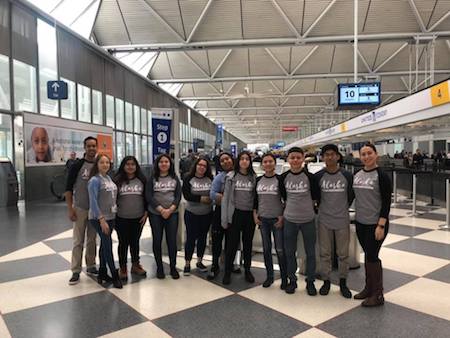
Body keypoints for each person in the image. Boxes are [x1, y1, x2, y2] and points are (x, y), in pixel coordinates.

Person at [353, 143, 392, 307]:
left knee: (373, 256)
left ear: (376, 155)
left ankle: (378, 294)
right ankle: (368, 288)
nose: (366, 157)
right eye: (363, 154)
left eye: (370, 153)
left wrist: (381, 225)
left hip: (376, 224)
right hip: (360, 222)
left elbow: (386, 201)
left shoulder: (381, 175)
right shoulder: (357, 174)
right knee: (368, 255)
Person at [315, 144, 354, 299]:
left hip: (342, 219)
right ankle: (326, 281)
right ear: (323, 157)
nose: (329, 157)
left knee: (343, 254)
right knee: (325, 253)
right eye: (326, 155)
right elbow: (316, 197)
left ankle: (343, 282)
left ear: (338, 156)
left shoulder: (347, 176)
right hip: (324, 219)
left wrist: (341, 208)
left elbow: (351, 196)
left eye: (332, 154)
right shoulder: (318, 176)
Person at [281, 147, 319, 295]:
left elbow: (315, 197)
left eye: (298, 157)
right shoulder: (283, 177)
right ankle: (292, 280)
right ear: (288, 160)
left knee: (310, 252)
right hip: (290, 219)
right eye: (292, 158)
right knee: (290, 252)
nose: (295, 160)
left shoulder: (310, 177)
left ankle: (310, 282)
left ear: (303, 159)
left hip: (308, 219)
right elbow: (283, 197)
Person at [65, 136, 98, 285]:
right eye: (89, 146)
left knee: (92, 239)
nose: (91, 148)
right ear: (84, 148)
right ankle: (75, 270)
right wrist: (70, 208)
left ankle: (91, 265)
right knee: (78, 241)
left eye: (94, 146)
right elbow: (68, 188)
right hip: (80, 208)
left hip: (95, 209)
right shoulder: (77, 165)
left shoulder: (100, 164)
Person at [221, 151, 257, 285]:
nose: (244, 161)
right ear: (238, 161)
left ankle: (247, 269)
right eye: (242, 159)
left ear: (250, 161)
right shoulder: (231, 176)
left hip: (248, 215)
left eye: (247, 159)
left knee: (248, 244)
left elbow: (256, 198)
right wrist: (224, 219)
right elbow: (225, 200)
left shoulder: (253, 177)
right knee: (231, 244)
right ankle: (227, 272)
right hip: (235, 214)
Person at [253, 153, 287, 289]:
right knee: (266, 249)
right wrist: (255, 215)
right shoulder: (259, 180)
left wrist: (282, 216)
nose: (267, 164)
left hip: (276, 219)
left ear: (274, 163)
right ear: (262, 165)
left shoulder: (280, 179)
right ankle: (269, 276)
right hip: (263, 219)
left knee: (280, 250)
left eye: (270, 161)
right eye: (265, 162)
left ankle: (284, 278)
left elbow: (286, 199)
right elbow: (255, 200)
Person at [87, 154, 121, 289]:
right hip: (99, 218)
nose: (105, 165)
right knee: (107, 245)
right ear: (97, 164)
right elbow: (93, 201)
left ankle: (102, 272)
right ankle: (114, 274)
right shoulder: (94, 180)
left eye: (107, 162)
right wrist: (101, 219)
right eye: (102, 162)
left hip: (111, 216)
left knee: (104, 245)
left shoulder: (108, 178)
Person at [146, 154, 182, 279]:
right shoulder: (152, 178)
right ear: (157, 164)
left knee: (172, 240)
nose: (164, 164)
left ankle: (173, 267)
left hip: (172, 213)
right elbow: (149, 196)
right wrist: (161, 209)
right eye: (161, 162)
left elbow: (178, 195)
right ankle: (159, 267)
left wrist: (171, 209)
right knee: (157, 240)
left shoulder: (174, 178)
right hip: (156, 213)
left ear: (170, 163)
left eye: (166, 161)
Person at [114, 156, 148, 281]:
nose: (130, 166)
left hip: (138, 217)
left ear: (136, 166)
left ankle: (135, 265)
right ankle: (122, 268)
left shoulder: (142, 180)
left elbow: (146, 197)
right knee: (123, 243)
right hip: (121, 217)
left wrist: (146, 212)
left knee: (135, 242)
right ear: (123, 166)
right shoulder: (117, 181)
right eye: (127, 164)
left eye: (133, 164)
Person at [182, 157, 213, 276]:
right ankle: (187, 263)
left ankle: (199, 261)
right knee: (190, 238)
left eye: (204, 166)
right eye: (200, 165)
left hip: (206, 214)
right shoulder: (188, 178)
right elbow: (187, 195)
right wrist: (201, 199)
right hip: (191, 214)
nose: (202, 167)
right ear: (196, 165)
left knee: (202, 238)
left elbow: (213, 194)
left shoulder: (210, 179)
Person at [207, 152, 234, 280]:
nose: (225, 162)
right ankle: (214, 265)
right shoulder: (219, 177)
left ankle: (230, 264)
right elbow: (212, 194)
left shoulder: (238, 175)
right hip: (219, 212)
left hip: (234, 213)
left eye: (227, 159)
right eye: (222, 161)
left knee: (231, 241)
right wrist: (225, 198)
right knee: (217, 239)